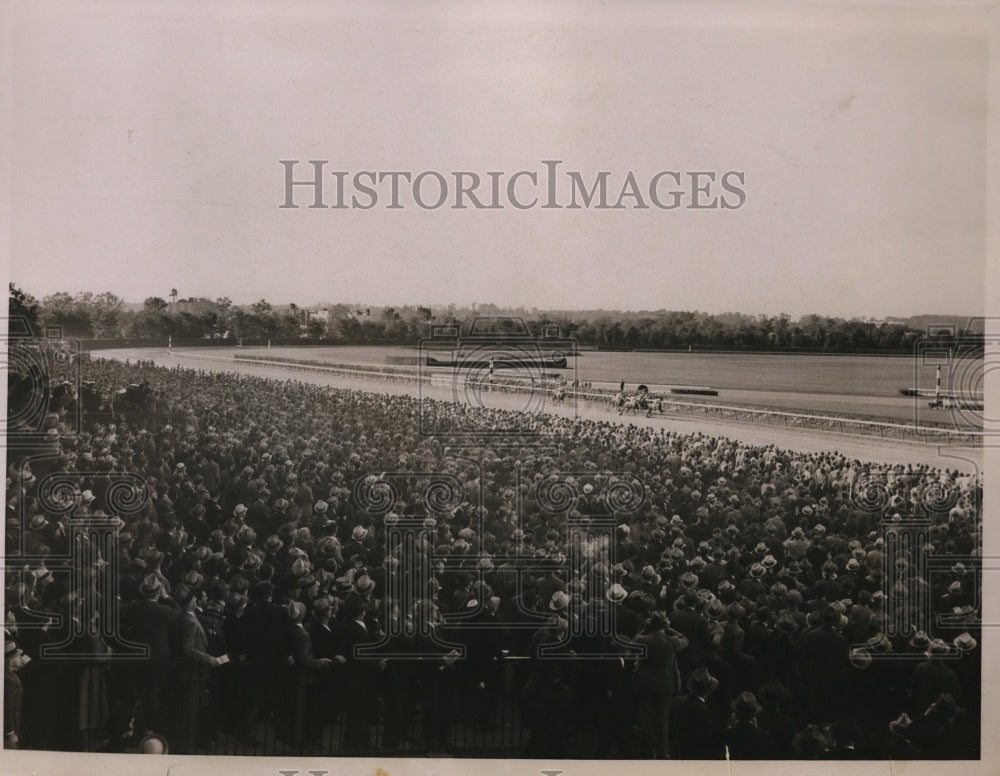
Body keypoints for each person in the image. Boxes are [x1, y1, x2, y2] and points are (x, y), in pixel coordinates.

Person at [632, 610, 689, 758]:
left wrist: (647, 627)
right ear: (664, 624)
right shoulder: (672, 641)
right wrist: (668, 628)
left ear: (650, 624)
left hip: (645, 684)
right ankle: (663, 752)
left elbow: (633, 640)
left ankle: (645, 751)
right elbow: (685, 639)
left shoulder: (643, 640)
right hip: (665, 685)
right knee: (663, 721)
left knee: (645, 718)